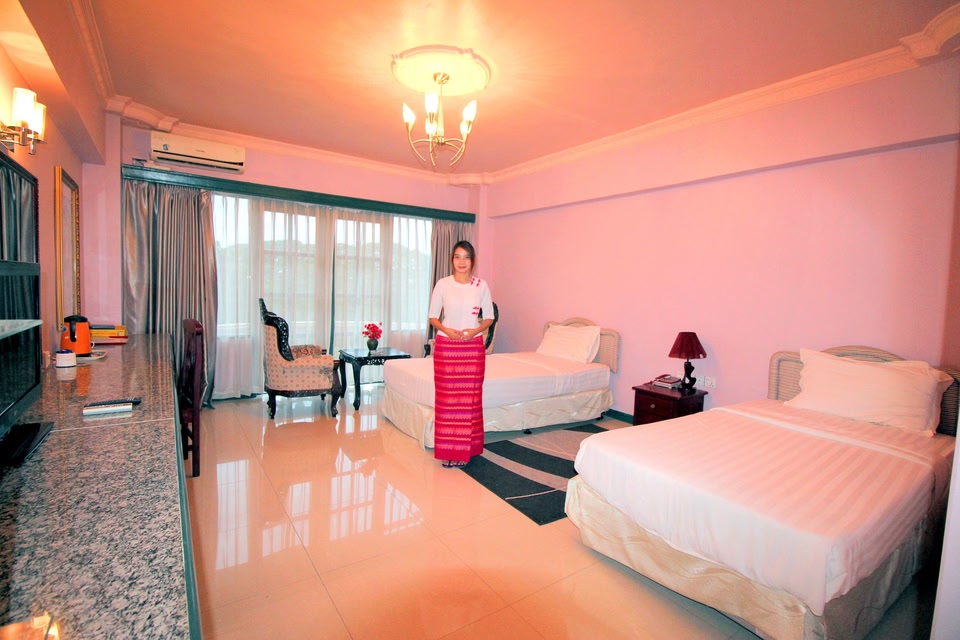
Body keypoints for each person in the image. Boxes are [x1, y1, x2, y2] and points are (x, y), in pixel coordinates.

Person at [428, 240, 494, 468]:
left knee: (469, 400)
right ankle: (448, 450)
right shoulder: (443, 284)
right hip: (447, 347)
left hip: (472, 347)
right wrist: (447, 330)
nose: (462, 261)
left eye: (466, 257)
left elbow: (489, 317)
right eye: (457, 256)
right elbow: (433, 317)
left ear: (472, 260)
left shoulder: (481, 285)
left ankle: (468, 449)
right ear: (452, 260)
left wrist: (474, 331)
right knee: (447, 401)